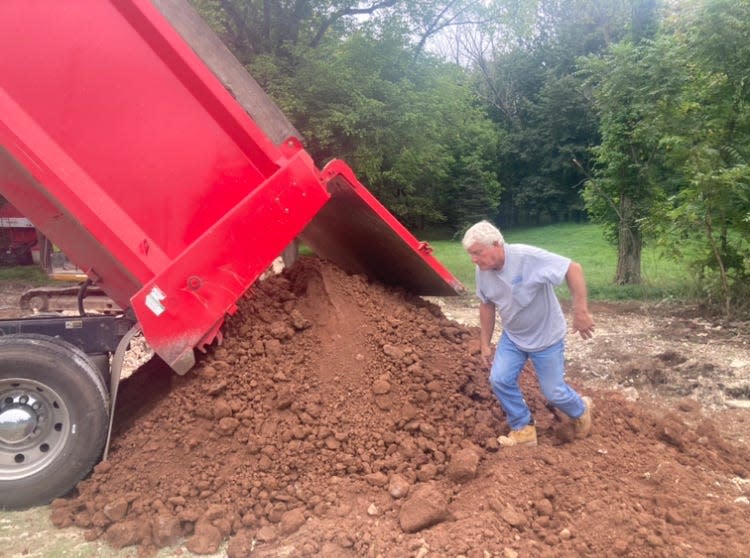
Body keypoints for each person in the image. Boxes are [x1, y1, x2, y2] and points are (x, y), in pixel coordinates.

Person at [462, 220, 595, 447]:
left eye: (477, 253)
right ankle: (522, 428)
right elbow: (487, 305)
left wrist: (580, 311)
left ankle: (581, 409)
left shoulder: (528, 258)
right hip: (514, 337)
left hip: (547, 337)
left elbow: (573, 268)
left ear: (496, 244)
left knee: (553, 392)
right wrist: (484, 342)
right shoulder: (482, 272)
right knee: (499, 378)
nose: (474, 259)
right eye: (471, 255)